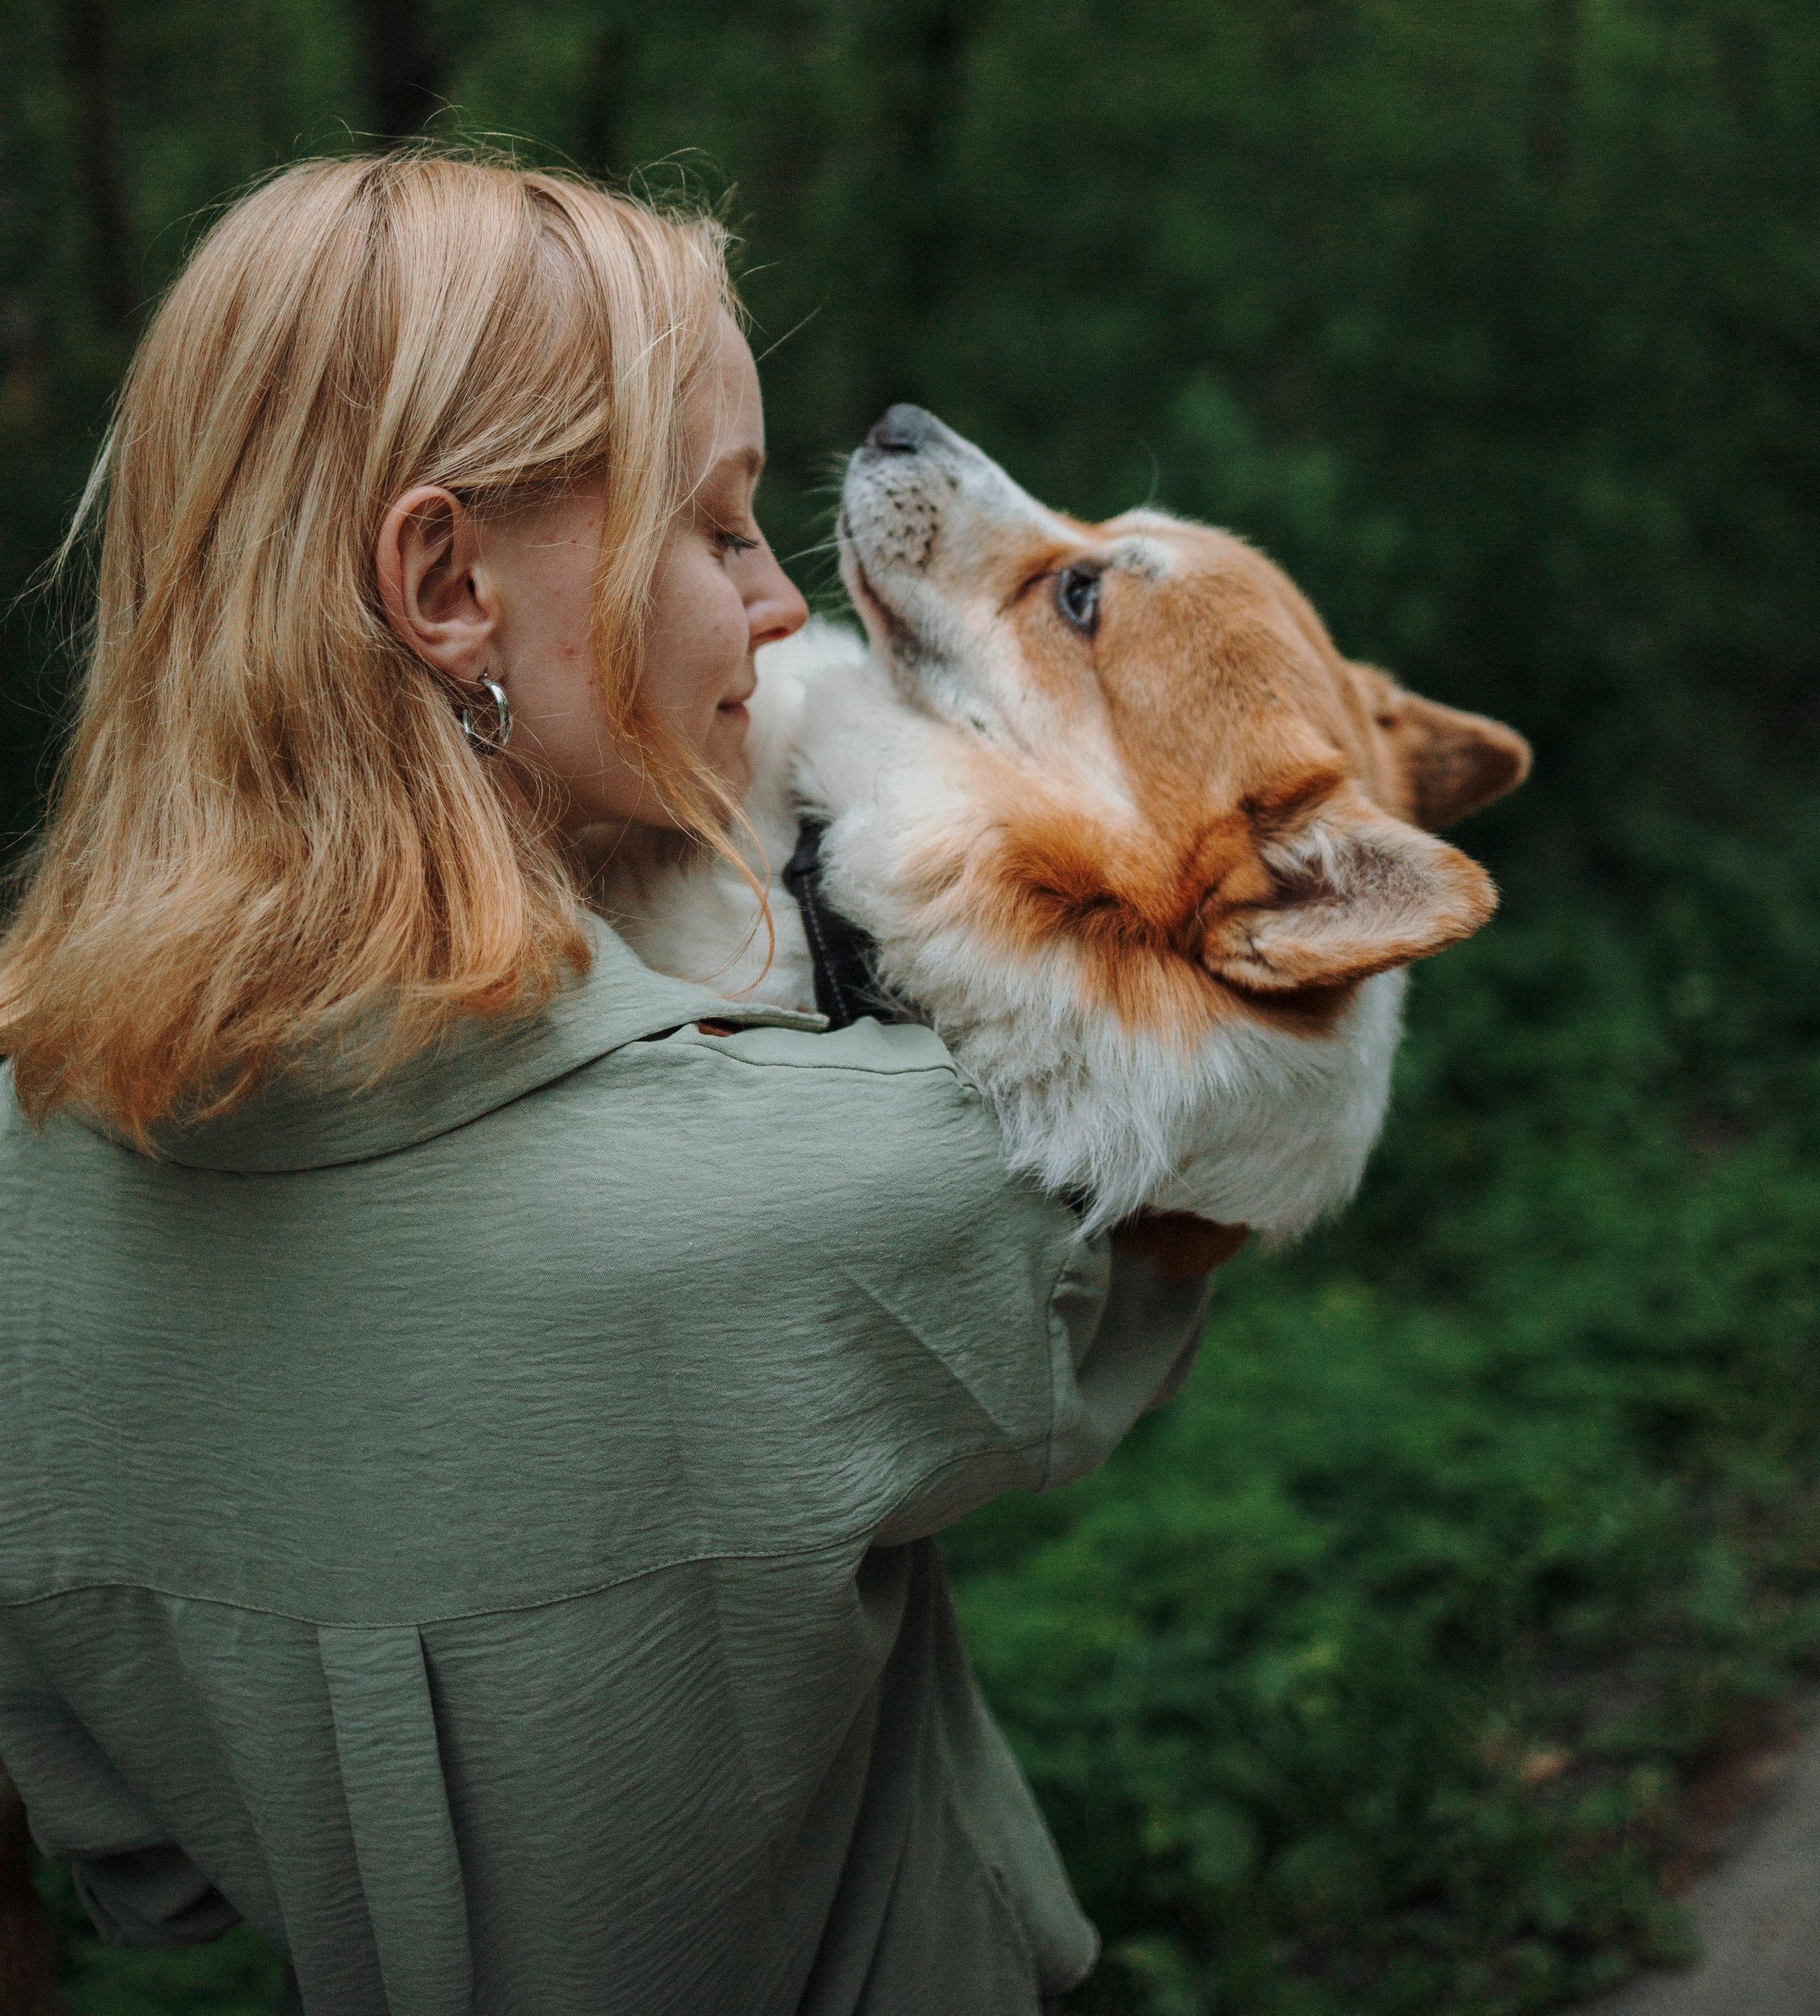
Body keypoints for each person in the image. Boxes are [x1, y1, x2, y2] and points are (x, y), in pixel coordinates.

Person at [0, 155, 1226, 2016]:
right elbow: (1226, 1134)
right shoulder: (853, 1184)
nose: (769, 609)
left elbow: (141, 1876)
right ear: (445, 584)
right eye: (720, 528)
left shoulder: (29, 1194)